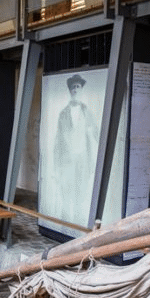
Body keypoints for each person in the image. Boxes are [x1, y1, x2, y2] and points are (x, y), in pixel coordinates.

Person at [52, 74, 99, 225]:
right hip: (66, 163)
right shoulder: (63, 114)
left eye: (78, 87)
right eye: (73, 87)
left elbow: (97, 134)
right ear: (69, 90)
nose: (76, 90)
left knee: (80, 197)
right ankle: (65, 229)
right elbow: (57, 141)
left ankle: (78, 230)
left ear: (82, 89)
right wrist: (56, 167)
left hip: (82, 162)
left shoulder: (87, 112)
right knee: (66, 197)